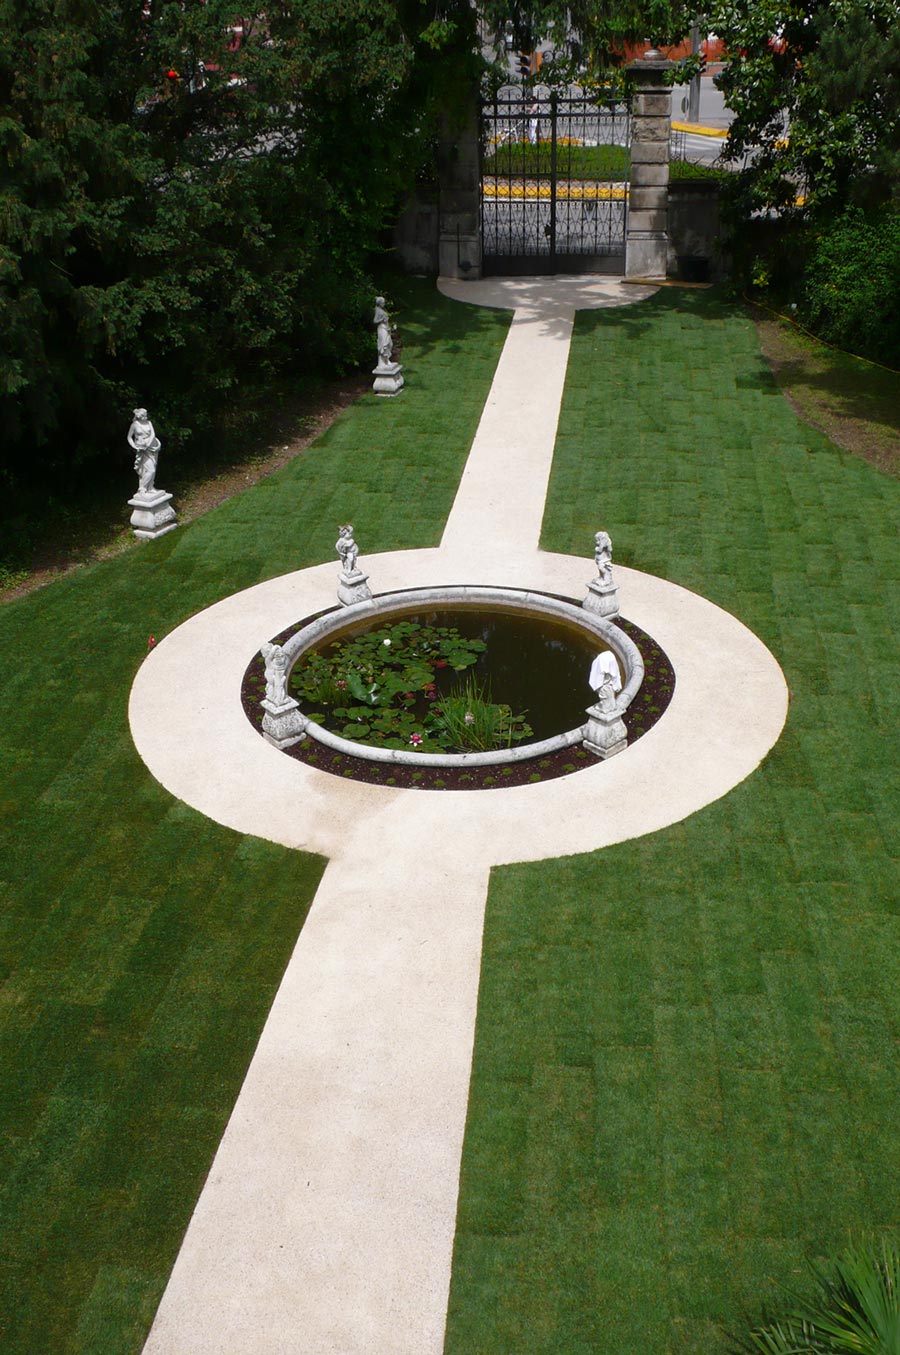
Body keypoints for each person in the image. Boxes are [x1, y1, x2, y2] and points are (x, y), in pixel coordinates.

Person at [127, 408, 161, 495]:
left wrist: (148, 444)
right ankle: (142, 488)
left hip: (152, 447)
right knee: (150, 470)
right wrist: (134, 446)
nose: (146, 417)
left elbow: (153, 434)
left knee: (153, 467)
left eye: (146, 415)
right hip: (142, 449)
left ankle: (150, 487)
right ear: (139, 417)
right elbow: (129, 437)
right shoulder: (134, 425)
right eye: (144, 416)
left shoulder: (149, 422)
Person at [373, 296, 393, 367]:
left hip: (385, 328)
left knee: (389, 343)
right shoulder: (377, 310)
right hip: (381, 329)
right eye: (383, 302)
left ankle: (387, 359)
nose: (384, 304)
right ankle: (385, 361)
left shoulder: (381, 309)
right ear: (379, 303)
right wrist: (382, 319)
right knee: (384, 344)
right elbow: (375, 321)